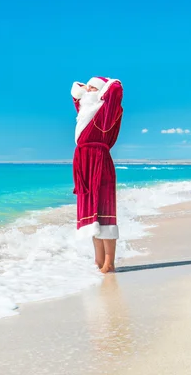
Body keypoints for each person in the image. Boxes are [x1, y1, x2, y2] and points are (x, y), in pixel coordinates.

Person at [70, 76, 123, 273]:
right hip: (83, 162)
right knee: (93, 217)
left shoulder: (107, 111)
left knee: (104, 211)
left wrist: (108, 83)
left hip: (100, 160)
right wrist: (83, 90)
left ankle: (109, 262)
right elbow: (76, 96)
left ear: (102, 91)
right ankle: (98, 259)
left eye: (94, 88)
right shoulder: (86, 111)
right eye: (88, 87)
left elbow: (116, 90)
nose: (89, 90)